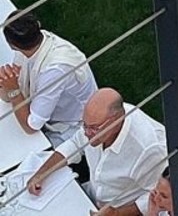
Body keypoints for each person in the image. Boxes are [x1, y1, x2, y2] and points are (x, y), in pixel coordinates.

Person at [26, 88, 168, 212]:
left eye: (94, 128)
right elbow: (75, 144)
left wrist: (117, 214)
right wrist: (42, 173)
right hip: (90, 196)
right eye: (84, 125)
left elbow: (157, 195)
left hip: (120, 208)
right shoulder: (96, 120)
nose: (87, 133)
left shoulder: (149, 150)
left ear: (115, 121)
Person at [0, 11, 98, 145]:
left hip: (74, 124)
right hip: (51, 113)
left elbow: (31, 126)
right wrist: (8, 84)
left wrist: (14, 91)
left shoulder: (54, 70)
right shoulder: (32, 45)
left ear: (11, 45)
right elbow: (7, 96)